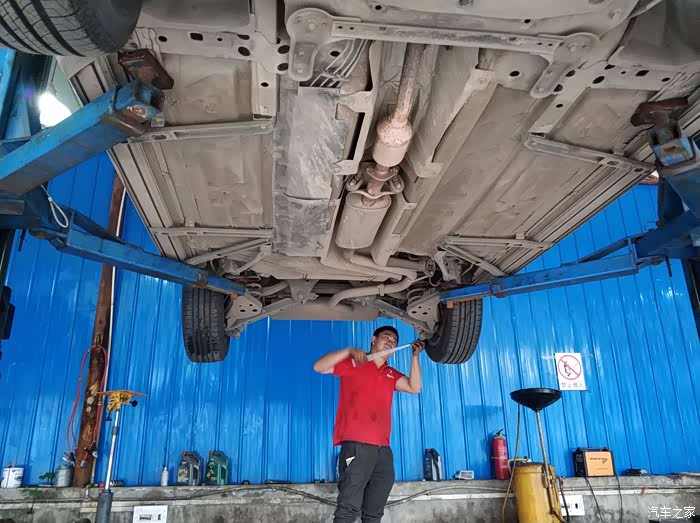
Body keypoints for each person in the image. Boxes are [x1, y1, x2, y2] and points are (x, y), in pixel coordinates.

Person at [313, 326, 425, 522]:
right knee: (348, 509)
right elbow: (319, 367)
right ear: (373, 339)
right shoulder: (354, 363)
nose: (391, 342)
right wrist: (348, 351)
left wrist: (415, 356)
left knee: (374, 512)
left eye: (394, 341)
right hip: (358, 447)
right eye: (386, 337)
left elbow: (414, 387)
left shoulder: (390, 373)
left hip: (383, 451)